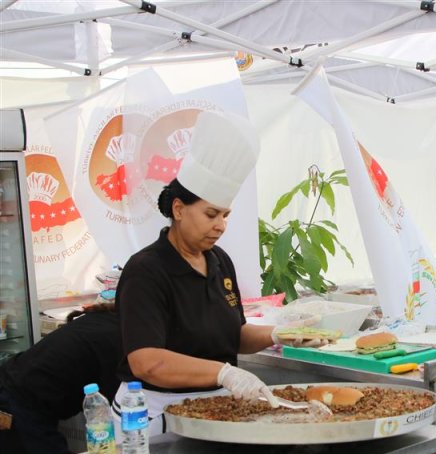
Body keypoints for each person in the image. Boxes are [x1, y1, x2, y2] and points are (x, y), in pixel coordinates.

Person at [114, 110, 317, 435]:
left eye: (225, 215)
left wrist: (278, 335)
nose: (220, 226)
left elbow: (231, 335)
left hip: (215, 410)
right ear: (178, 209)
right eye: (211, 214)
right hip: (153, 416)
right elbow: (147, 362)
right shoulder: (146, 270)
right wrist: (224, 374)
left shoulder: (219, 261)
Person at [0, 304, 121, 454]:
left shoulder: (105, 320)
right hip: (19, 399)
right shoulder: (116, 337)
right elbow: (115, 409)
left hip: (18, 385)